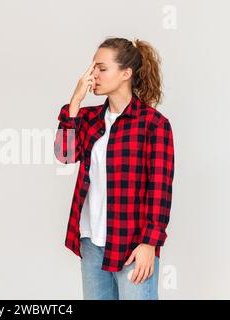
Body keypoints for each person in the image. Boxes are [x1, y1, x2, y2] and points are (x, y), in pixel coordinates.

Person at [54, 37, 175, 300]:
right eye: (92, 68)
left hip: (132, 243)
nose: (93, 74)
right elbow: (64, 155)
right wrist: (74, 102)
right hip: (91, 243)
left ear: (126, 73)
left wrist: (149, 243)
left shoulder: (153, 124)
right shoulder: (87, 119)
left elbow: (160, 190)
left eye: (102, 68)